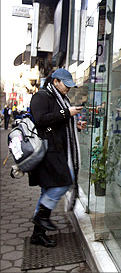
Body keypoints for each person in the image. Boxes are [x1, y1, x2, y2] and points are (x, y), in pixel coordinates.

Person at [28, 68, 87, 247]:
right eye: (65, 85)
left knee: (48, 190)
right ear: (55, 82)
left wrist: (75, 126)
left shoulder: (60, 99)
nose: (68, 88)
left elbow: (58, 127)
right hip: (47, 152)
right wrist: (66, 113)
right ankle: (41, 216)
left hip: (58, 150)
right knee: (63, 182)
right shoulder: (42, 96)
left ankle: (38, 233)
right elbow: (40, 120)